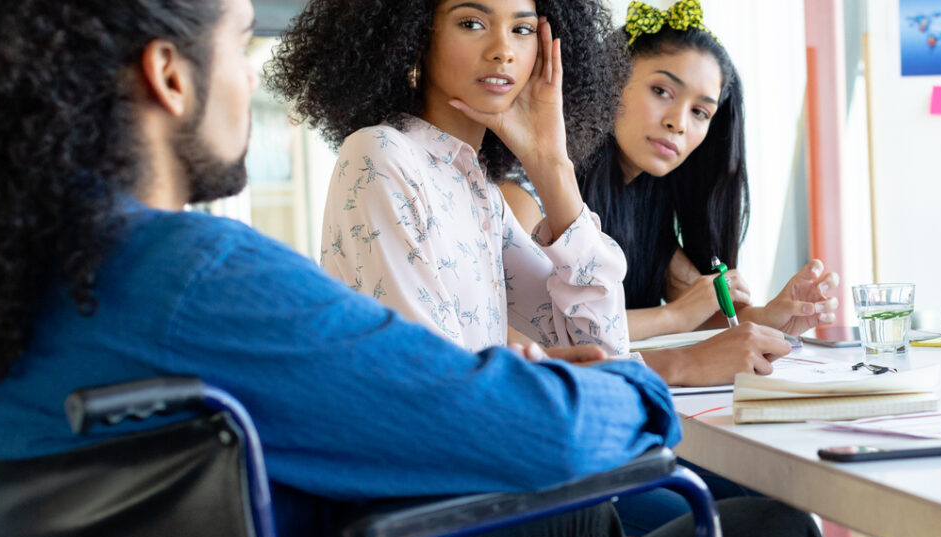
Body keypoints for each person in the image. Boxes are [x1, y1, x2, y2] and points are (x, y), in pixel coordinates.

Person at [0, 0, 846, 537]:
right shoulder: (197, 280)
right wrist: (639, 392)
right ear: (171, 74)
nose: (255, 76)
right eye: (242, 39)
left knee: (608, 525)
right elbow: (534, 439)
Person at [269, 0, 793, 387]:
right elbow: (439, 384)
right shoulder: (382, 155)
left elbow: (597, 345)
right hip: (453, 506)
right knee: (760, 522)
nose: (502, 51)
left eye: (522, 29)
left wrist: (551, 163)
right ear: (412, 38)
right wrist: (679, 363)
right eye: (472, 22)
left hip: (503, 478)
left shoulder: (476, 189)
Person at [500, 0, 842, 341]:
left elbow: (703, 312)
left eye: (700, 113)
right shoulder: (525, 197)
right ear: (610, 80)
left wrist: (774, 314)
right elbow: (541, 336)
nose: (677, 123)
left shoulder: (646, 207)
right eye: (662, 91)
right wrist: (673, 316)